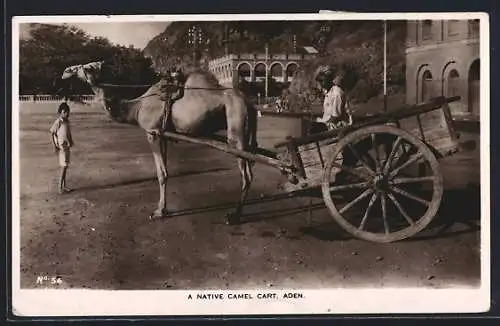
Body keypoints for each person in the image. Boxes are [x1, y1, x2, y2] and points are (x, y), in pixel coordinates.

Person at [50, 102, 74, 194]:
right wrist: (55, 146)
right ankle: (60, 187)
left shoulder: (67, 122)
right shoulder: (58, 122)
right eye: (64, 112)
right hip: (61, 147)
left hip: (66, 146)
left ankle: (64, 186)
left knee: (66, 165)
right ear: (61, 112)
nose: (66, 113)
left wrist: (71, 141)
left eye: (67, 112)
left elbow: (68, 133)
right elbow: (52, 133)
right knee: (64, 166)